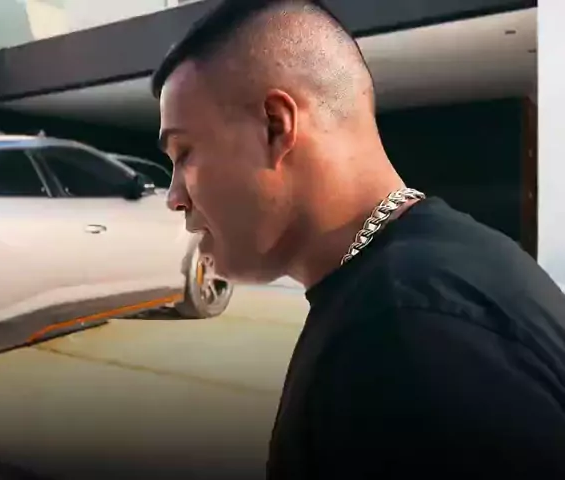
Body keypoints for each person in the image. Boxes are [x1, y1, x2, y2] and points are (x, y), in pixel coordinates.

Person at [151, 0, 565, 478]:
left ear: (275, 127)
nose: (174, 197)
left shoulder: (405, 340)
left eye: (184, 153)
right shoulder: (450, 269)